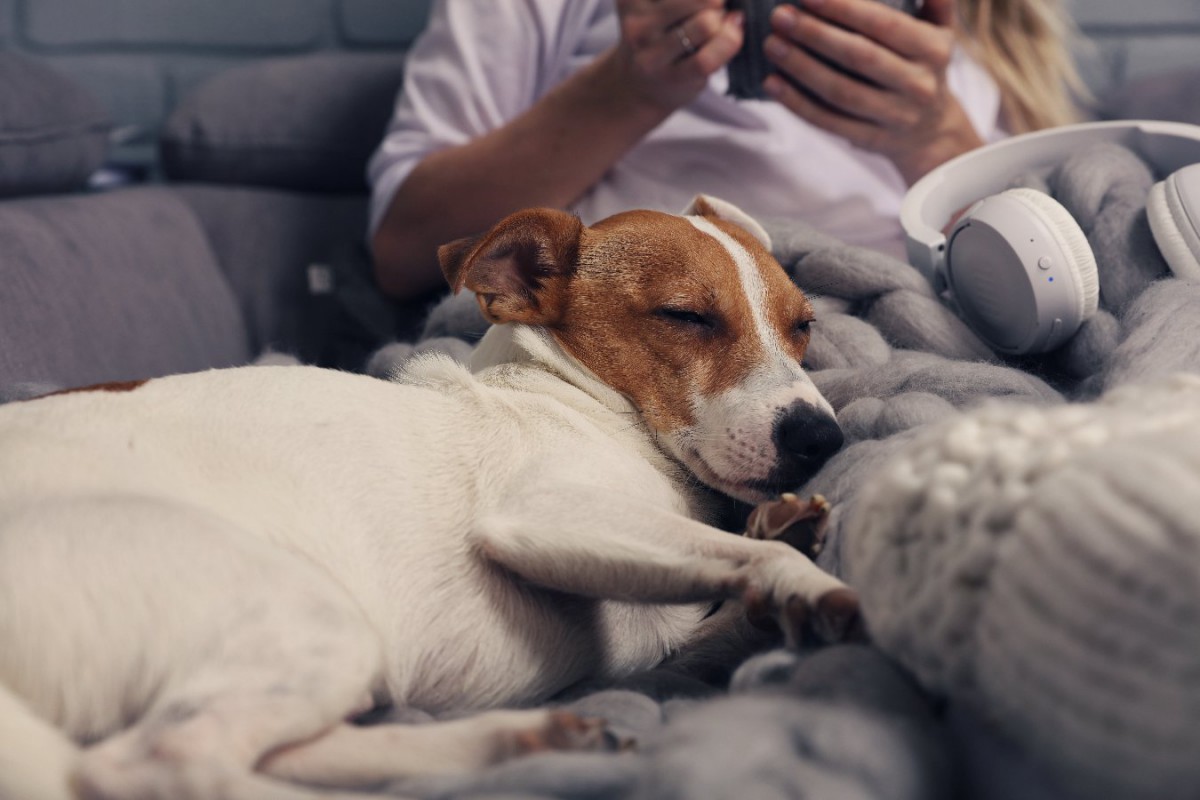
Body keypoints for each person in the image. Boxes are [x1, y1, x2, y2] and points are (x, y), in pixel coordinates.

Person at [368, 0, 1084, 300]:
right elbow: (407, 249)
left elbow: (1062, 272)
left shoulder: (979, 23)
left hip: (899, 320)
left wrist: (933, 137)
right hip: (644, 330)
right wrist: (629, 89)